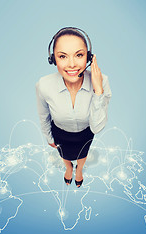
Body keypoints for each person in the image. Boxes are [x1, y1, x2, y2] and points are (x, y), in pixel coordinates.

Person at [36, 27, 112, 188]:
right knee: (64, 154)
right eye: (63, 56)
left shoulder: (102, 81)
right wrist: (49, 137)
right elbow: (44, 115)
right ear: (53, 59)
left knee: (83, 153)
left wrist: (98, 91)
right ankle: (69, 168)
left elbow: (97, 127)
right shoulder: (43, 85)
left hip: (86, 132)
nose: (71, 64)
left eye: (79, 55)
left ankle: (79, 170)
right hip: (60, 132)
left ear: (89, 57)